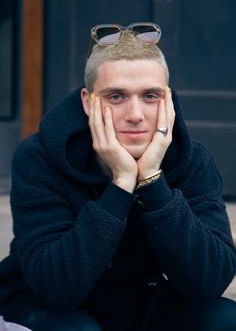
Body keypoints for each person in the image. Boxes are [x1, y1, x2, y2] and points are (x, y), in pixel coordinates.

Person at [0, 22, 236, 331]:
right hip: (47, 306)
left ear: (167, 100)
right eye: (116, 97)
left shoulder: (192, 160)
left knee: (224, 320)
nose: (135, 114)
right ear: (88, 101)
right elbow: (55, 288)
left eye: (150, 96)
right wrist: (122, 185)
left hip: (138, 301)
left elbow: (210, 282)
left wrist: (152, 180)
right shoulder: (40, 157)